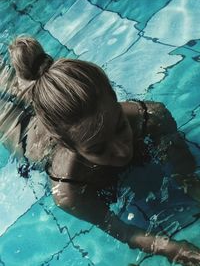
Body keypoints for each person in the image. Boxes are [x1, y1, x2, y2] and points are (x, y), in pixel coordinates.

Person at [4, 36, 200, 265]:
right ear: (69, 146)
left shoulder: (152, 118)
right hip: (23, 133)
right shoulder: (68, 190)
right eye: (98, 148)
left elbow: (187, 175)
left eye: (119, 126)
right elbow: (127, 232)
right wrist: (175, 250)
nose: (121, 150)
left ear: (115, 99)